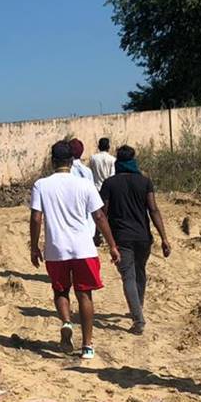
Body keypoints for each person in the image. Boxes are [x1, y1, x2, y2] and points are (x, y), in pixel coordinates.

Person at [30, 140, 121, 359]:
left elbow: (36, 217)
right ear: (71, 161)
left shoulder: (41, 185)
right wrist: (112, 245)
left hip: (56, 249)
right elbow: (99, 216)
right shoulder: (85, 184)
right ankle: (88, 346)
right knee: (85, 295)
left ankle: (67, 322)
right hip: (84, 249)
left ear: (52, 161)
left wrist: (34, 246)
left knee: (60, 291)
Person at [99, 145, 172, 334]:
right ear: (134, 160)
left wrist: (103, 235)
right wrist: (164, 237)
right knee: (140, 272)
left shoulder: (109, 184)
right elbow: (153, 209)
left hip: (121, 238)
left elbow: (103, 212)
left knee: (128, 277)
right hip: (143, 237)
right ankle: (137, 306)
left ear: (118, 162)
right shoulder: (145, 182)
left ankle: (138, 319)